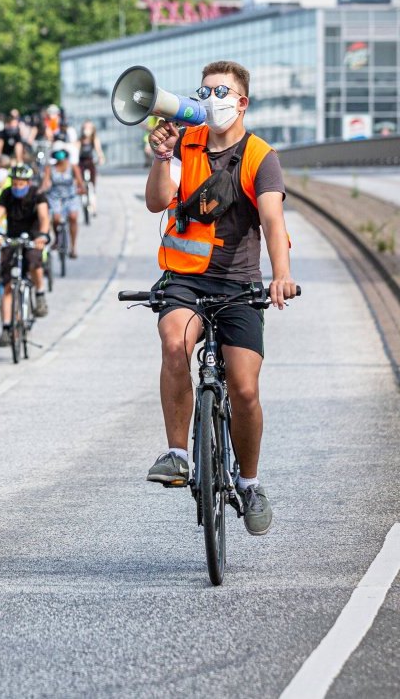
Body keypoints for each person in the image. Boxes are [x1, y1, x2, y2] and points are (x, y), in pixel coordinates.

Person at [143, 60, 297, 536]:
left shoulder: (259, 156)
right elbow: (156, 202)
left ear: (242, 102)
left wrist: (281, 276)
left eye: (222, 92)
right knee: (175, 343)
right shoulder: (185, 142)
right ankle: (178, 453)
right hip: (184, 278)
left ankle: (249, 483)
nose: (212, 99)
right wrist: (160, 158)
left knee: (245, 387)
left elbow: (273, 221)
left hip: (239, 283)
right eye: (205, 91)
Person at [0, 162, 49, 348]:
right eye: (15, 183)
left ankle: (39, 295)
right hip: (12, 238)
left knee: (34, 263)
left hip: (33, 237)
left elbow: (44, 218)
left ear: (28, 183)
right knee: (8, 283)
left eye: (21, 183)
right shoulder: (6, 194)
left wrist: (43, 236)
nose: (17, 187)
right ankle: (7, 329)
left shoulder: (38, 195)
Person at [40, 147, 86, 259]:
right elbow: (45, 182)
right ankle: (57, 239)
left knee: (73, 217)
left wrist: (82, 189)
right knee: (55, 218)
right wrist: (40, 191)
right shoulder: (50, 168)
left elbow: (80, 182)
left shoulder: (73, 167)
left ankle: (73, 247)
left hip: (70, 196)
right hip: (55, 197)